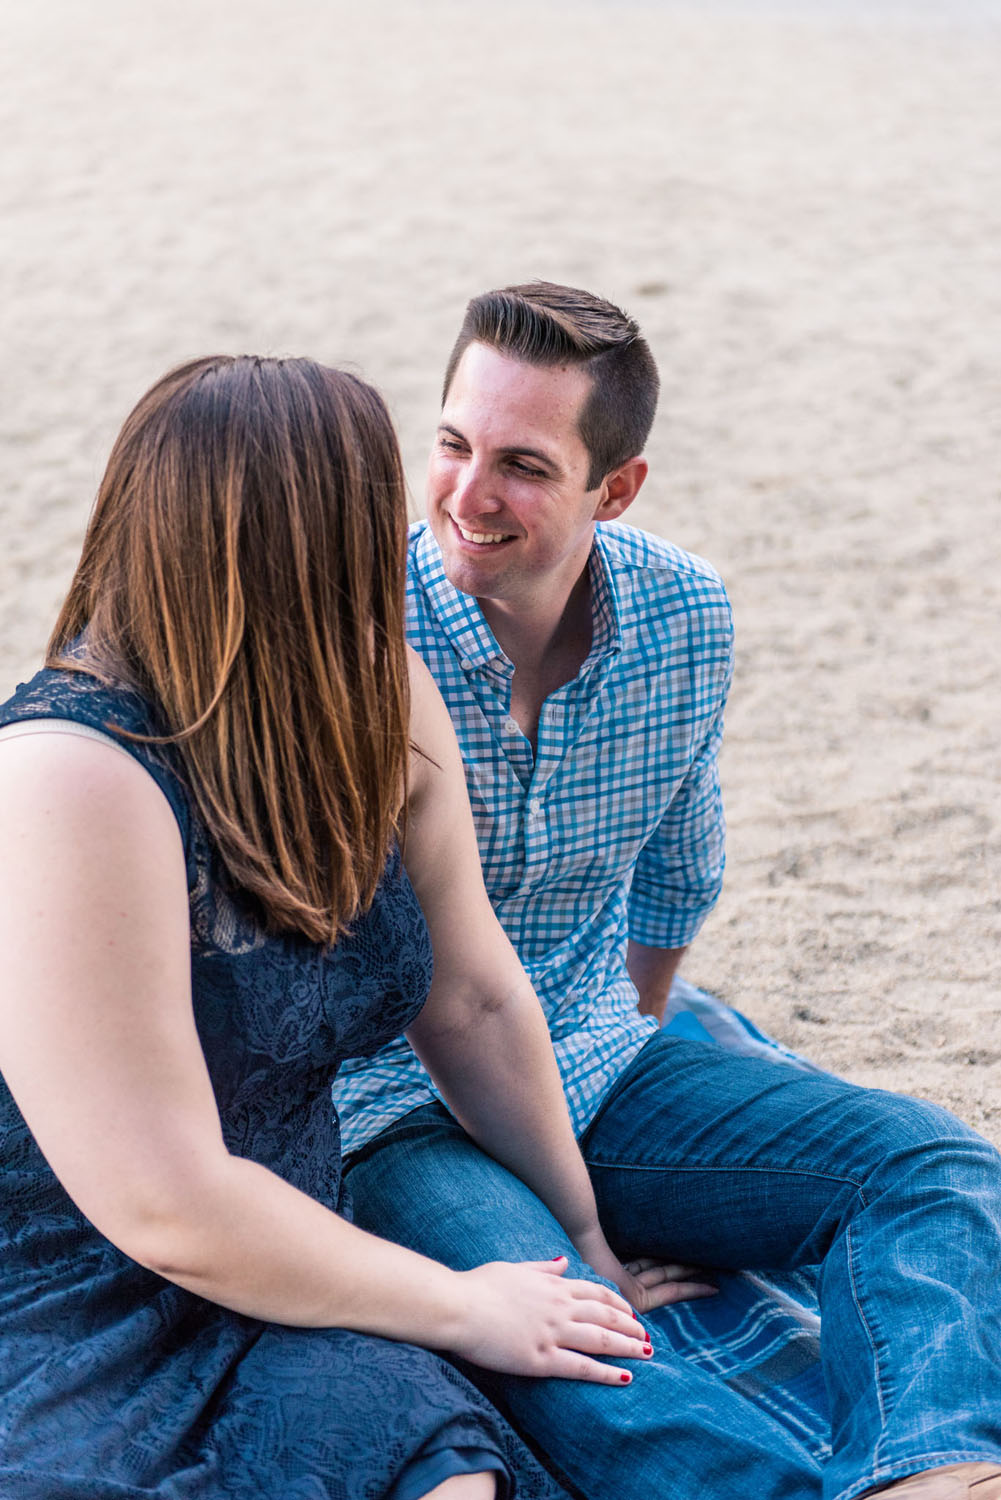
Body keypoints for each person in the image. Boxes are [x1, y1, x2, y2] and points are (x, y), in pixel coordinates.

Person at [336, 283, 1001, 1500]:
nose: (466, 495)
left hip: (596, 1063)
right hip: (397, 1106)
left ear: (615, 488)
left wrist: (635, 1040)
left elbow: (677, 869)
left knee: (932, 1166)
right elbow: (440, 1006)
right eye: (449, 445)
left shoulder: (682, 614)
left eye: (522, 466)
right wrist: (581, 1231)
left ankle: (933, 1470)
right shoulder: (356, 638)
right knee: (576, 1346)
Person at [0, 354, 694, 1499]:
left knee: (450, 1475)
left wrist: (584, 1242)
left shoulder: (373, 690)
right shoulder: (68, 775)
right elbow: (161, 1201)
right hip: (64, 1303)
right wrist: (471, 1306)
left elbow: (469, 997)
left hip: (293, 1270)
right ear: (310, 535)